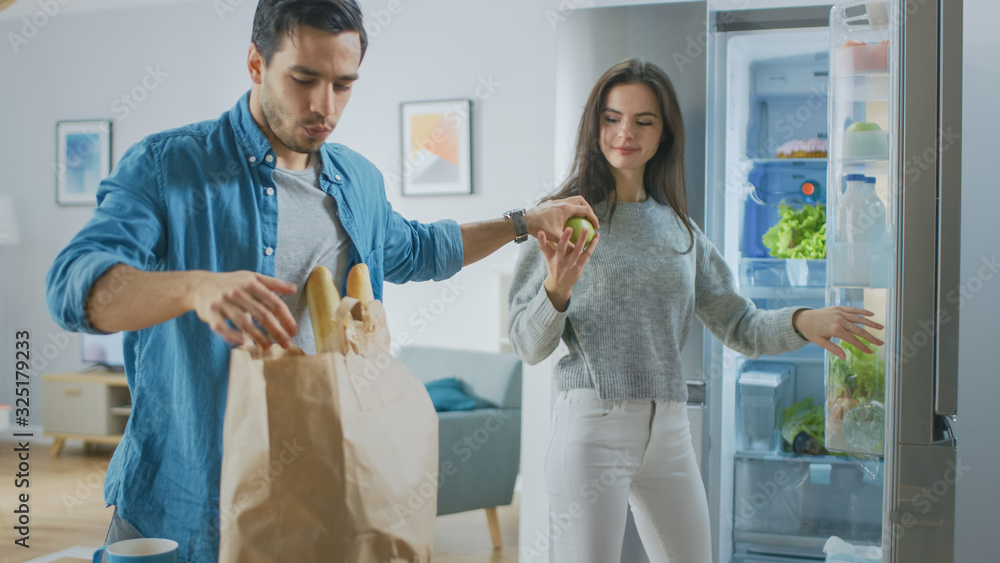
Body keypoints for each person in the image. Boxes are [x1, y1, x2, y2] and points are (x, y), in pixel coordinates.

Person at [45, 1, 597, 561]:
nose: (323, 106)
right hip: (182, 504)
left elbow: (420, 249)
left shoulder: (356, 179)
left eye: (343, 85)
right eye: (304, 79)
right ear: (257, 64)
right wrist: (195, 289)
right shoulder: (170, 167)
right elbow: (73, 288)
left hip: (315, 492)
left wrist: (524, 222)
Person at [506, 58, 884, 563]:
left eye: (644, 121)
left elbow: (739, 323)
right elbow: (528, 346)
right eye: (612, 118)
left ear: (664, 134)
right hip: (592, 428)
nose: (625, 133)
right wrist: (557, 287)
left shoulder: (680, 231)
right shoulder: (559, 219)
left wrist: (801, 321)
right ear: (595, 125)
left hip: (670, 429)